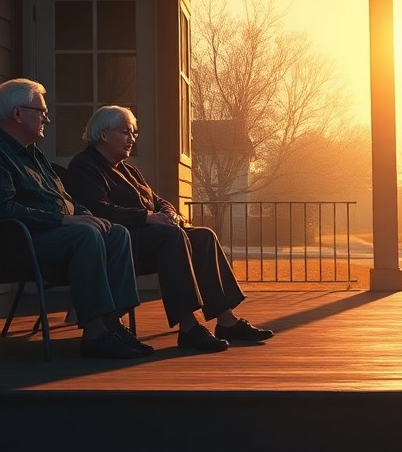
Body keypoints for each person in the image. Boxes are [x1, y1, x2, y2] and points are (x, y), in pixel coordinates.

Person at [0, 79, 151, 359]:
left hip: (48, 234)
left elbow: (66, 199)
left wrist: (85, 215)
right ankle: (95, 334)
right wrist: (64, 221)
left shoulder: (33, 155)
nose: (47, 119)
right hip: (17, 243)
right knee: (85, 236)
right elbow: (3, 210)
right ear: (18, 114)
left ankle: (113, 324)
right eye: (40, 111)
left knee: (115, 232)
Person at [63, 105, 274, 352]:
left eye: (134, 133)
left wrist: (169, 213)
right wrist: (147, 217)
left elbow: (157, 199)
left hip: (151, 236)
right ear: (103, 134)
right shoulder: (85, 166)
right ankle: (188, 327)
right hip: (121, 242)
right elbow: (98, 210)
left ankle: (226, 320)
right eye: (125, 132)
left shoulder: (129, 170)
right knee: (172, 236)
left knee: (204, 236)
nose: (132, 139)